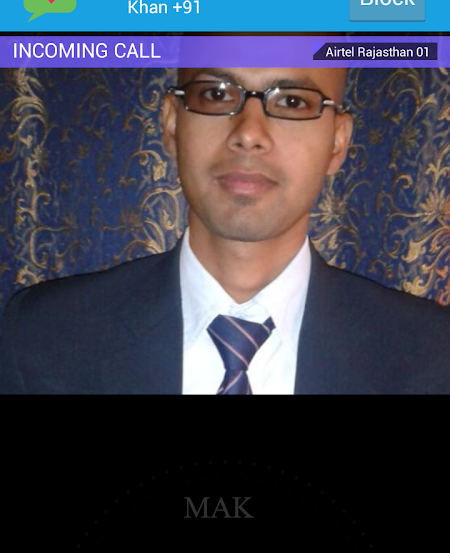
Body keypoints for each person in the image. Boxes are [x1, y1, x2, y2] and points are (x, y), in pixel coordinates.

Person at [0, 64, 448, 394]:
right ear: (172, 124)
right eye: (216, 94)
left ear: (338, 142)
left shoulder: (433, 356)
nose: (249, 133)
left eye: (292, 101)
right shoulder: (44, 336)